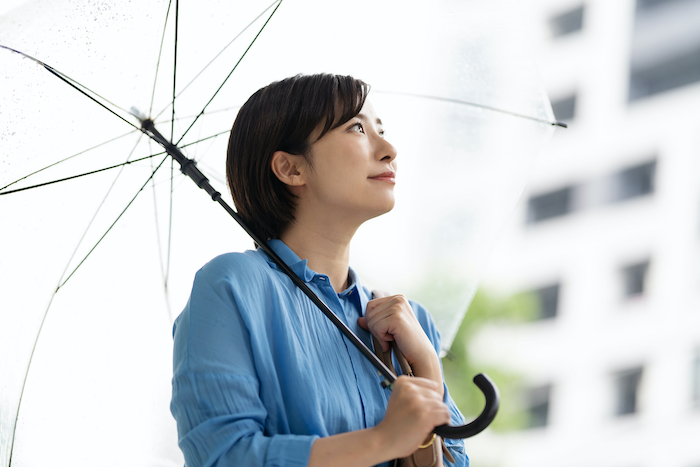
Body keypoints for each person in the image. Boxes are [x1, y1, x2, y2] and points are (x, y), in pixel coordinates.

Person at [170, 74, 467, 466]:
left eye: (381, 129)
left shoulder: (411, 324)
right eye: (357, 128)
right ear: (291, 169)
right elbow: (224, 456)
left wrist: (427, 368)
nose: (389, 149)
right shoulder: (232, 287)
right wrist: (381, 441)